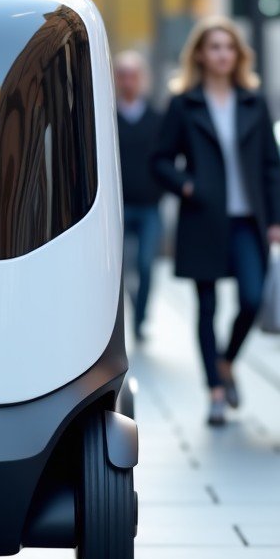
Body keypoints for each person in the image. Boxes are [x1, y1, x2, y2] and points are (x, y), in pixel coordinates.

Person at [153, 16, 280, 427]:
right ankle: (214, 391)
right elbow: (158, 161)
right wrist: (187, 186)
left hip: (249, 220)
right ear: (200, 55)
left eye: (229, 47)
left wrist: (277, 218)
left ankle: (225, 362)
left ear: (238, 55)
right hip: (203, 218)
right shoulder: (184, 103)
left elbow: (271, 165)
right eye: (214, 47)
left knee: (251, 298)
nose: (222, 54)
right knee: (206, 307)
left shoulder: (254, 101)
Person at [114, 51, 163, 342]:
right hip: (117, 210)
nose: (127, 81)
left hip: (148, 206)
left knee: (146, 264)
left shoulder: (157, 119)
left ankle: (141, 317)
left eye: (133, 75)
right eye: (122, 75)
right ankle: (119, 321)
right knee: (119, 271)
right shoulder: (106, 118)